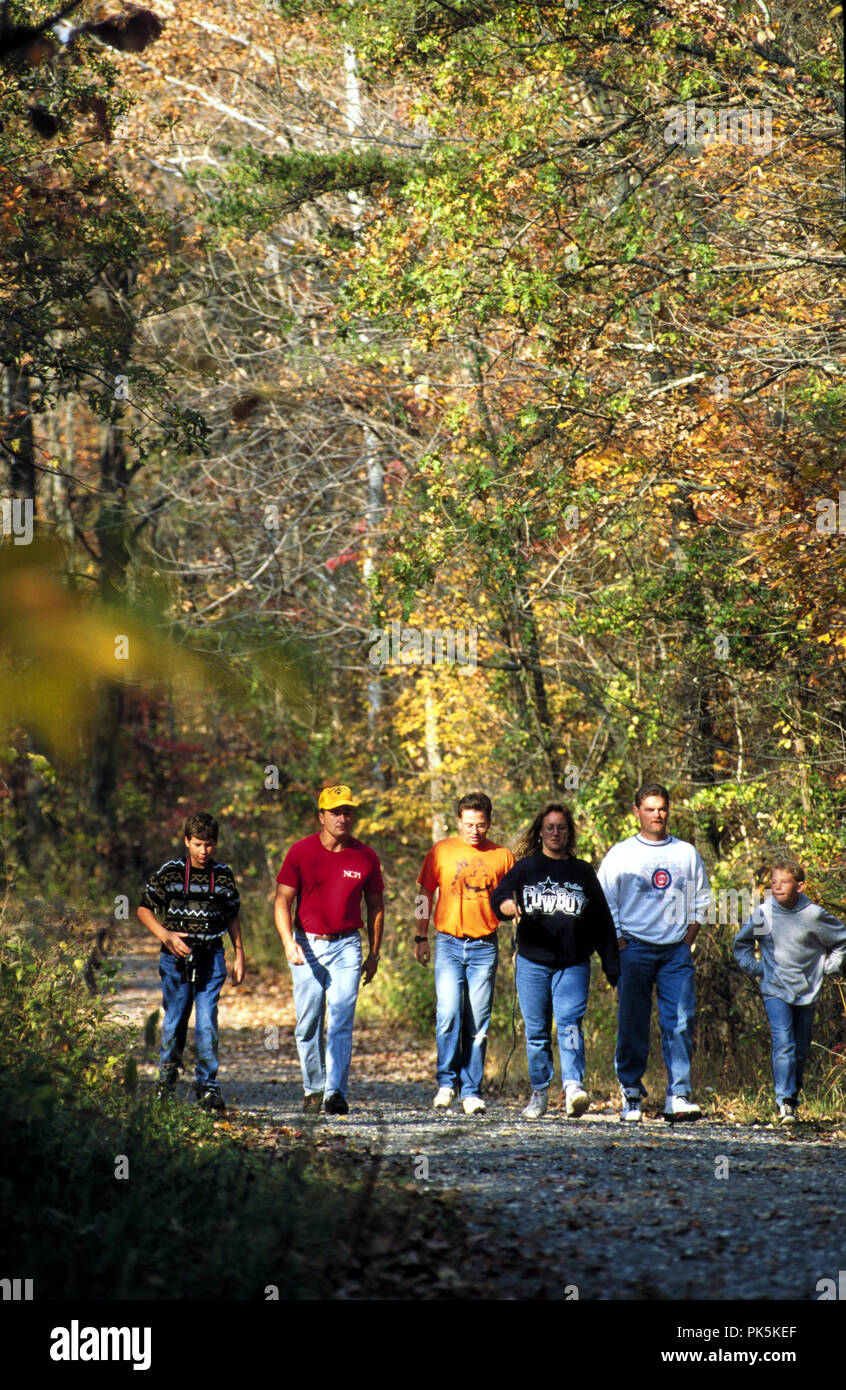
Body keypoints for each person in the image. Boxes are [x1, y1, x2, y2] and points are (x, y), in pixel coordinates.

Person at [490, 802, 619, 1120]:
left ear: (569, 833)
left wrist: (612, 966)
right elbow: (499, 896)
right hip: (532, 962)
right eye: (549, 827)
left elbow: (602, 921)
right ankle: (539, 1092)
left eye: (561, 827)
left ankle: (574, 1086)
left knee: (570, 1024)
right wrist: (507, 905)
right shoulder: (526, 868)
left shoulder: (582, 871)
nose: (555, 832)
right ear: (540, 832)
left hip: (573, 963)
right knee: (536, 1032)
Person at [598, 783, 710, 1123]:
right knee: (632, 1023)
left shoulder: (685, 853)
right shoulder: (622, 853)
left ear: (668, 810)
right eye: (649, 808)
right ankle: (631, 1094)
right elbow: (604, 898)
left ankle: (678, 1095)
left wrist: (690, 934)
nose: (657, 814)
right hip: (634, 948)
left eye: (661, 808)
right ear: (637, 812)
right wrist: (617, 939)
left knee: (679, 1022)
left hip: (675, 951)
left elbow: (701, 897)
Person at [274, 784, 383, 1116]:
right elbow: (282, 901)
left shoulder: (365, 856)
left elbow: (376, 906)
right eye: (335, 812)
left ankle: (335, 1093)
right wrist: (287, 941)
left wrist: (374, 953)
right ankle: (314, 1086)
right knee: (308, 1023)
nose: (342, 817)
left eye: (348, 811)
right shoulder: (301, 852)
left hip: (348, 945)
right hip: (307, 943)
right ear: (321, 816)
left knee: (340, 1021)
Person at [414, 792, 514, 1115]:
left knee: (478, 1021)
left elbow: (513, 900)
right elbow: (424, 893)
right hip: (447, 943)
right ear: (459, 821)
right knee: (448, 1014)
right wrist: (420, 935)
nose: (474, 831)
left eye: (480, 825)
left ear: (489, 823)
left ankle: (471, 1090)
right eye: (468, 824)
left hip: (485, 944)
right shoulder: (442, 851)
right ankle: (446, 1083)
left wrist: (517, 942)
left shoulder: (502, 856)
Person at [138, 811, 245, 1110]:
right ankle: (166, 1082)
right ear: (186, 841)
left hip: (212, 955)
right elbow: (144, 908)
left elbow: (232, 915)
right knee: (175, 1019)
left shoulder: (222, 875)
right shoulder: (171, 872)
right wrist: (166, 936)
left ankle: (208, 1086)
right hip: (176, 957)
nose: (203, 851)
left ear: (216, 844)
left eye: (209, 844)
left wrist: (239, 954)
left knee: (208, 1019)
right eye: (197, 844)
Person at [733, 854, 846, 1123]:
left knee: (800, 1047)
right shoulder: (765, 913)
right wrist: (758, 968)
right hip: (774, 988)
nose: (778, 887)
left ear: (800, 886)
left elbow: (841, 941)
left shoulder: (814, 916)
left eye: (785, 882)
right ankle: (785, 1101)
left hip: (807, 988)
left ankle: (793, 1096)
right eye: (774, 882)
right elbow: (743, 944)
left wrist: (830, 966)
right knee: (783, 1042)